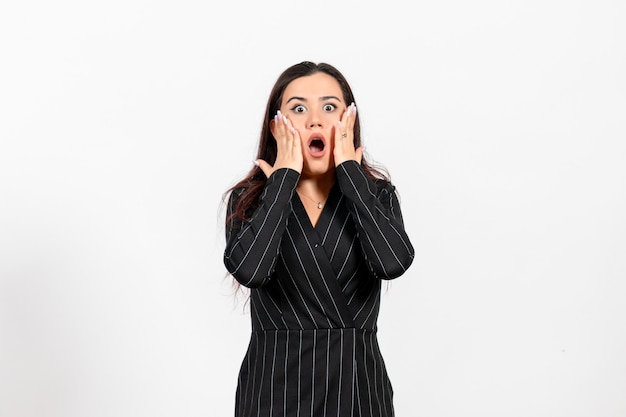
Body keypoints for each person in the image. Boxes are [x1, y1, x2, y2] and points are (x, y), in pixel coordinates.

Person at [223, 61, 414, 417]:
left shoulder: (376, 195)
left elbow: (392, 263)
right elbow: (251, 271)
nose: (315, 120)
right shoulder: (249, 199)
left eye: (330, 107)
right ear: (277, 126)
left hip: (357, 391)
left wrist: (353, 179)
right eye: (298, 108)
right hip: (273, 391)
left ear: (348, 121)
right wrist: (281, 183)